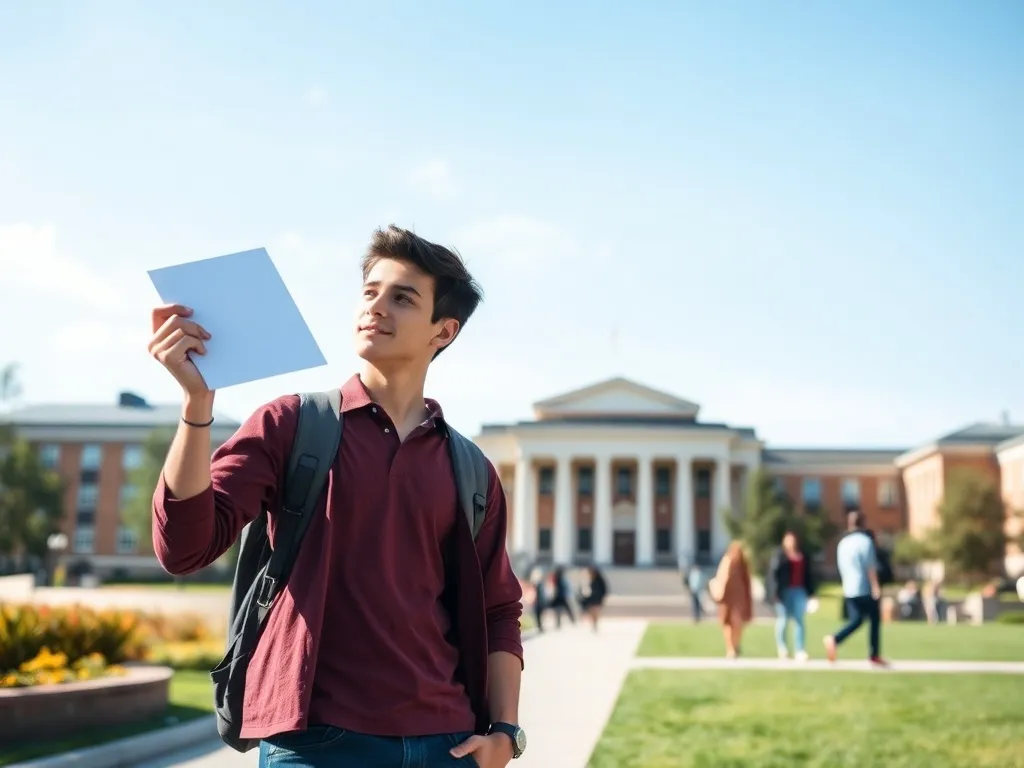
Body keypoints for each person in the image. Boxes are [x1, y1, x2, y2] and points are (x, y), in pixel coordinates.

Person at [148, 225, 526, 767]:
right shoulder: (290, 424)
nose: (375, 307)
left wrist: (505, 735)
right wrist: (196, 405)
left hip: (445, 740)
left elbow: (498, 607)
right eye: (369, 292)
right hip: (316, 743)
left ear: (443, 331)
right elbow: (183, 547)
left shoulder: (470, 468)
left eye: (402, 297)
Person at [824, 510, 887, 667]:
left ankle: (836, 639)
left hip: (849, 587)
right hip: (863, 587)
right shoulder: (865, 542)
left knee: (858, 620)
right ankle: (873, 654)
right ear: (863, 523)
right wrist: (876, 587)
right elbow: (870, 567)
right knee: (874, 619)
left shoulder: (843, 543)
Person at [765, 530, 816, 661]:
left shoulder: (802, 555)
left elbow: (808, 574)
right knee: (783, 619)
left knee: (799, 619)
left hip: (799, 590)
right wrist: (774, 592)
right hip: (783, 591)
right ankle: (782, 648)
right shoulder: (780, 555)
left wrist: (811, 593)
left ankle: (800, 649)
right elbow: (773, 574)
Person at [709, 541, 753, 658]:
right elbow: (722, 579)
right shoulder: (727, 562)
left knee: (738, 624)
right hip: (727, 598)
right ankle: (730, 648)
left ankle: (735, 645)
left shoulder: (743, 565)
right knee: (728, 624)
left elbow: (747, 581)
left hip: (739, 598)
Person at [577, 565, 608, 632]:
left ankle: (595, 624)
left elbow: (604, 590)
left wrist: (601, 597)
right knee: (591, 612)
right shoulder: (590, 580)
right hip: (591, 598)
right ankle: (593, 624)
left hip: (597, 599)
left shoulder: (599, 580)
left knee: (595, 611)